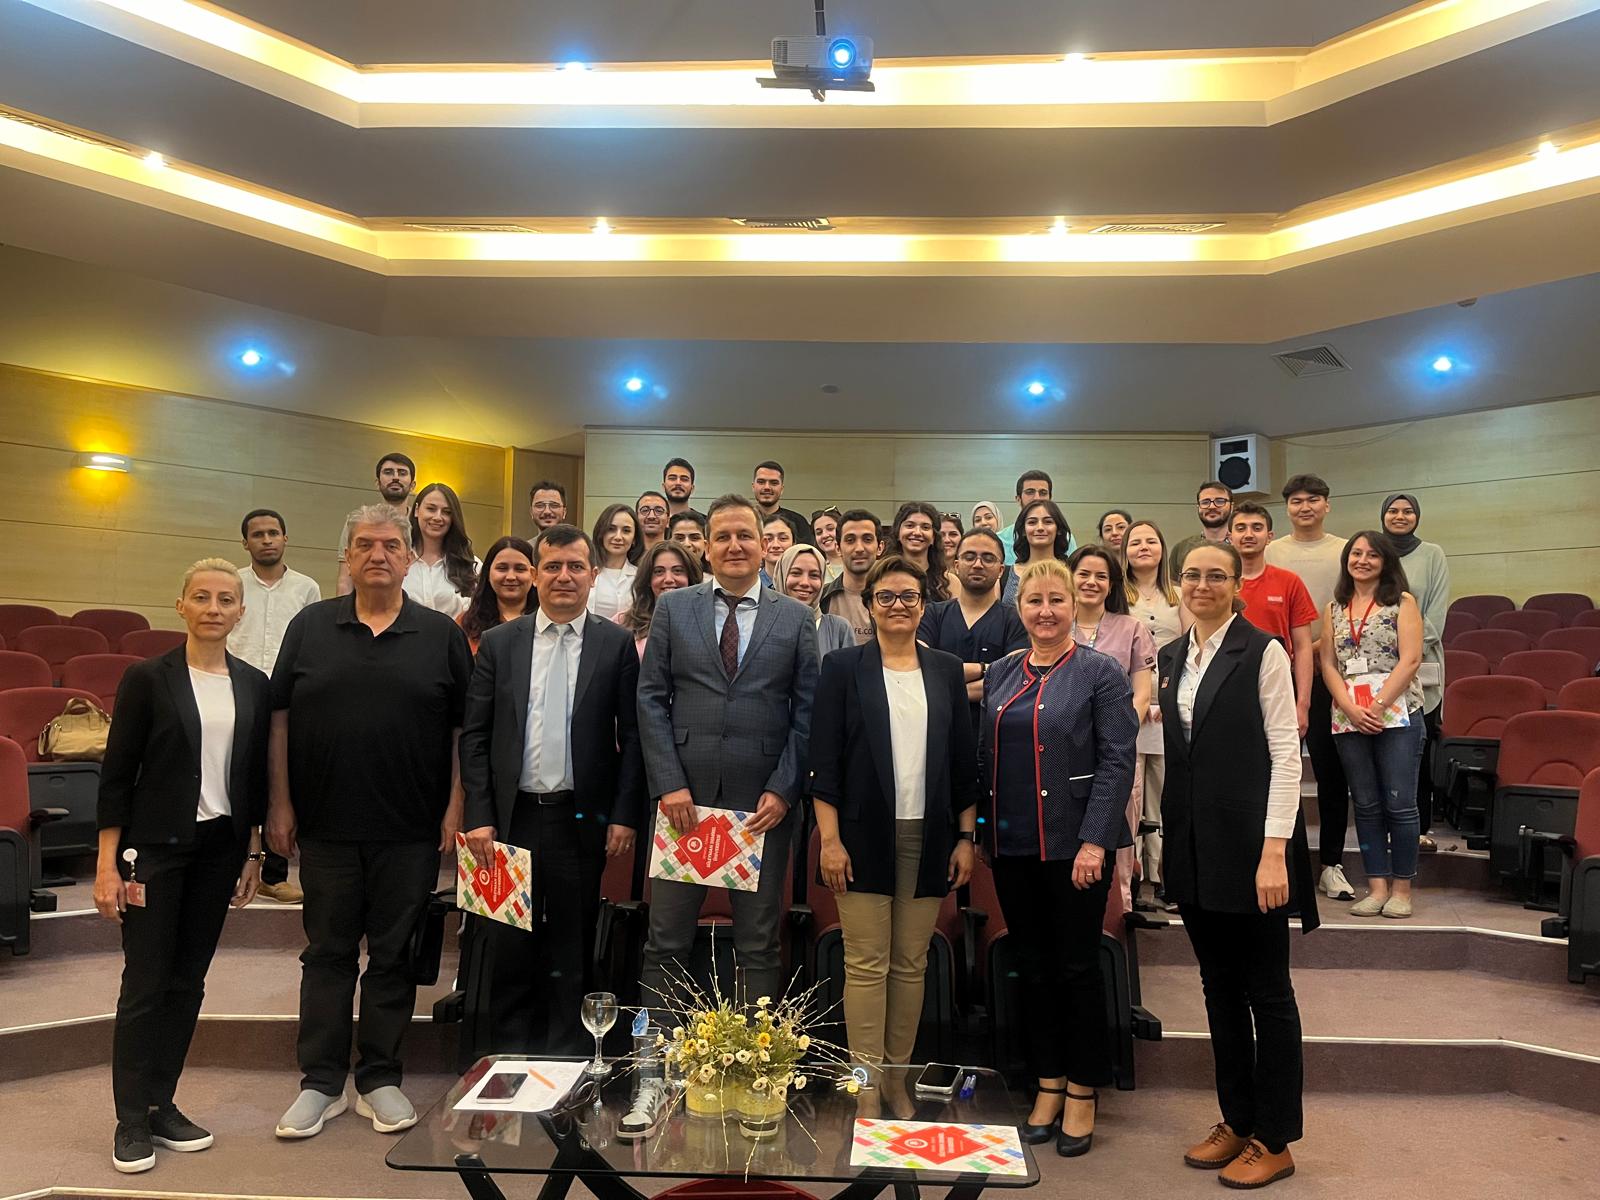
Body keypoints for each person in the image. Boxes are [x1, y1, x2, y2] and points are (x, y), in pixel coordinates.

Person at [269, 504, 472, 1140]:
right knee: (327, 954)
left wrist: (455, 805)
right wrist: (279, 802)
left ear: (409, 558)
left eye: (390, 545)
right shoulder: (309, 625)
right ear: (348, 558)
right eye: (364, 545)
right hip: (325, 825)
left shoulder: (440, 634)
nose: (378, 555)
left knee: (392, 956)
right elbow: (279, 719)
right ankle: (321, 1082)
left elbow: (463, 730)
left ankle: (380, 1077)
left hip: (410, 828)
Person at [96, 558, 271, 1174]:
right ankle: (129, 1118)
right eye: (202, 597)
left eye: (226, 599)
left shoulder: (254, 684)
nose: (213, 608)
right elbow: (117, 775)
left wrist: (253, 852)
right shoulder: (148, 678)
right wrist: (106, 865)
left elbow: (252, 776)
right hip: (154, 852)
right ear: (181, 606)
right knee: (146, 983)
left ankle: (160, 1103)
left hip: (220, 850)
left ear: (240, 612)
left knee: (189, 982)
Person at [1160, 543, 1316, 1190]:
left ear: (1236, 585)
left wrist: (1274, 850)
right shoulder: (1172, 656)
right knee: (1218, 988)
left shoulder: (1263, 651)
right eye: (1192, 575)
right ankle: (1238, 1119)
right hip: (1195, 848)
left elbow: (1285, 753)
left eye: (1216, 575)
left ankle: (1275, 1138)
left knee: (1268, 994)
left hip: (1254, 851)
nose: (1203, 584)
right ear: (1177, 584)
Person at [460, 523, 646, 1054]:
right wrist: (479, 814)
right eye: (553, 566)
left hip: (580, 818)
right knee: (508, 941)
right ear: (535, 575)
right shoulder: (501, 643)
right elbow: (475, 736)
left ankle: (568, 1059)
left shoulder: (615, 644)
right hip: (509, 818)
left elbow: (633, 738)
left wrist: (624, 814)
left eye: (575, 567)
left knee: (572, 942)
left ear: (593, 575)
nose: (564, 576)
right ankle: (506, 1058)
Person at [636, 495, 820, 1008]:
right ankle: (660, 1054)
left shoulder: (796, 617)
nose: (734, 546)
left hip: (761, 806)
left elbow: (808, 711)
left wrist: (784, 789)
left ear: (763, 545)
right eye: (723, 537)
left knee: (758, 944)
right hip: (683, 802)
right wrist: (669, 783)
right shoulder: (674, 607)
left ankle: (753, 1054)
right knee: (666, 940)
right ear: (706, 548)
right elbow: (650, 698)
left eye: (744, 536)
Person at [982, 559, 1138, 1158]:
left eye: (1056, 599)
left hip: (1076, 848)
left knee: (1076, 968)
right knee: (1032, 966)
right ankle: (1046, 1082)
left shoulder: (1100, 671)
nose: (1045, 611)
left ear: (1075, 604)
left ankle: (1081, 1089)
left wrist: (1096, 840)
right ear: (1019, 609)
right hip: (1013, 845)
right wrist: (980, 834)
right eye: (1034, 601)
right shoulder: (1002, 672)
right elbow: (983, 755)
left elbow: (1118, 760)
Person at [810, 556, 978, 1070]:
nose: (898, 605)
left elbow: (963, 760)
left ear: (923, 606)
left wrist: (966, 838)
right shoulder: (842, 668)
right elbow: (824, 762)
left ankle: (897, 1077)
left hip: (931, 836)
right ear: (870, 605)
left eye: (909, 596)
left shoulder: (945, 669)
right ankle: (866, 1084)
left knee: (910, 963)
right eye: (886, 596)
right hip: (859, 837)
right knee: (866, 964)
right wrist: (830, 841)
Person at [1320, 532, 1425, 919]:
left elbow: (1411, 659)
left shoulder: (1402, 601)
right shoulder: (1334, 606)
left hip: (1398, 714)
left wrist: (1378, 706)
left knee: (1400, 804)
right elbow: (1328, 663)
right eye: (1356, 553)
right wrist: (1350, 707)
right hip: (1350, 716)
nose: (1362, 560)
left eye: (1372, 555)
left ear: (1385, 562)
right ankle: (1377, 887)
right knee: (1365, 804)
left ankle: (1402, 889)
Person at [1264, 474, 1353, 901]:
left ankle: (1331, 864)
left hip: (1328, 672)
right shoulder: (1271, 551)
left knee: (1330, 769)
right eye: (1297, 501)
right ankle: (1276, 860)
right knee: (1270, 769)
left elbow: (1350, 606)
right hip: (1272, 671)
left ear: (1327, 505)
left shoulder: (1344, 551)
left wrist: (1316, 651)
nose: (1305, 507)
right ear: (1287, 508)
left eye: (1313, 500)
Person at [231, 509, 320, 903]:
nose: (266, 540)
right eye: (258, 534)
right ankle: (232, 867)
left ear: (285, 538)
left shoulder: (306, 588)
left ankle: (273, 874)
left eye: (273, 533)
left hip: (288, 695)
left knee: (281, 777)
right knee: (240, 777)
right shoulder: (233, 584)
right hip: (239, 690)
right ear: (245, 542)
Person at [1068, 545, 1156, 916]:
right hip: (1065, 751)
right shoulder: (1055, 623)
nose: (1091, 582)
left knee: (1116, 837)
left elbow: (1142, 693)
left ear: (1112, 584)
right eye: (1084, 574)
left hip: (1115, 753)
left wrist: (1114, 736)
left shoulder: (1132, 628)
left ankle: (1117, 917)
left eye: (1101, 576)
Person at [1122, 521, 1189, 905]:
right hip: (1127, 701)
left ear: (1163, 548)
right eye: (1136, 542)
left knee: (1163, 789)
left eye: (1151, 540)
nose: (1143, 547)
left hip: (1168, 702)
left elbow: (1190, 648)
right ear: (1125, 550)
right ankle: (1131, 874)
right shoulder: (1117, 595)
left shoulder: (1178, 594)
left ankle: (1162, 871)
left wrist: (1165, 697)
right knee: (1129, 790)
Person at [1381, 493, 1449, 852]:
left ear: (1417, 517)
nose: (1400, 516)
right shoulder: (1375, 553)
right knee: (1382, 751)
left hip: (1420, 665)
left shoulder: (1432, 554)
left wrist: (1405, 650)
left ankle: (1419, 829)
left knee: (1416, 753)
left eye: (1408, 511)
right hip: (1378, 670)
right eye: (1393, 510)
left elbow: (1436, 613)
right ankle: (1383, 828)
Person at [918, 528, 1027, 733]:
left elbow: (1013, 678)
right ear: (956, 565)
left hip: (994, 737)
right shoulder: (932, 615)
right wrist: (986, 669)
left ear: (1001, 570)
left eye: (988, 558)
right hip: (938, 732)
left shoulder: (1016, 620)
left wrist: (947, 690)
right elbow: (923, 669)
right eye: (969, 557)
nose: (978, 564)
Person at [1230, 504, 1315, 738]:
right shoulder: (1219, 584)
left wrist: (1302, 704)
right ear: (1230, 536)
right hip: (1228, 685)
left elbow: (1303, 646)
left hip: (1279, 686)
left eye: (1257, 528)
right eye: (1241, 528)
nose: (1248, 534)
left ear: (1269, 537)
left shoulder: (1290, 582)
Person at [338, 453, 415, 595]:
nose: (395, 477)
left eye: (402, 473)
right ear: (377, 483)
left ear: (413, 485)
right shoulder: (358, 523)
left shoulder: (422, 524)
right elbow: (345, 580)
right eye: (388, 472)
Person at [404, 482, 479, 617]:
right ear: (416, 510)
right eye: (431, 509)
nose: (438, 517)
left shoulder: (471, 565)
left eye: (447, 512)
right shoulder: (398, 560)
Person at [619, 540, 703, 658]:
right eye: (659, 572)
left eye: (677, 571)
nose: (668, 579)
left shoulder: (707, 620)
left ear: (690, 576)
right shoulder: (623, 623)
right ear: (648, 579)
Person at [458, 536, 536, 654]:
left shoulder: (548, 622)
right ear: (488, 574)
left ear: (535, 575)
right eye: (502, 568)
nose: (510, 577)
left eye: (520, 569)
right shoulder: (466, 624)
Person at [775, 543, 854, 660]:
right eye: (796, 573)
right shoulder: (763, 626)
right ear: (782, 575)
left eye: (814, 575)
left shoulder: (839, 630)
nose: (805, 583)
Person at [820, 509, 882, 646]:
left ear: (880, 547)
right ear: (838, 548)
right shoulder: (822, 598)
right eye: (850, 540)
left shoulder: (895, 599)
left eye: (867, 539)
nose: (859, 548)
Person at [997, 470, 1076, 565]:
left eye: (1043, 493)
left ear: (1050, 498)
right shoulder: (1000, 540)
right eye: (1030, 492)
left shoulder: (1066, 538)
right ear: (1018, 499)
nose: (1037, 498)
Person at [1005, 498, 1072, 606]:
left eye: (1048, 522)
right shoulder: (1005, 575)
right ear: (1023, 530)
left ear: (1058, 529)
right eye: (1032, 522)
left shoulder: (1072, 572)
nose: (1040, 528)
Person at [884, 501, 951, 603]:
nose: (917, 533)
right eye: (910, 525)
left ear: (934, 537)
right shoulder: (881, 576)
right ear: (898, 532)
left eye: (925, 527)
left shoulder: (948, 583)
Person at [1169, 481, 1233, 582]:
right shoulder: (1181, 549)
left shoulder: (1241, 547)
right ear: (1198, 507)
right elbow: (1173, 588)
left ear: (1231, 507)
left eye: (1220, 501)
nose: (1212, 506)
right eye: (1205, 502)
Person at [588, 504, 639, 621]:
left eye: (626, 531)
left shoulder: (640, 577)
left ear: (635, 538)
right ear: (601, 533)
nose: (618, 537)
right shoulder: (585, 572)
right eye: (611, 529)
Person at [751, 460, 812, 547]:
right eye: (761, 482)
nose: (767, 487)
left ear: (782, 489)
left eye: (774, 483)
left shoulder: (798, 522)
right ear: (753, 486)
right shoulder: (741, 521)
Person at [811, 506, 845, 581]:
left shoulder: (858, 563)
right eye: (819, 532)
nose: (825, 535)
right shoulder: (813, 569)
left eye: (830, 529)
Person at [762, 514, 795, 586]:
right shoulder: (750, 585)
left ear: (794, 544)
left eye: (783, 538)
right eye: (768, 539)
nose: (775, 545)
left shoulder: (802, 585)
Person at [635, 490, 670, 555]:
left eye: (659, 511)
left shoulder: (676, 556)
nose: (651, 516)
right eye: (645, 510)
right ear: (636, 518)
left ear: (668, 520)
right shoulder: (626, 555)